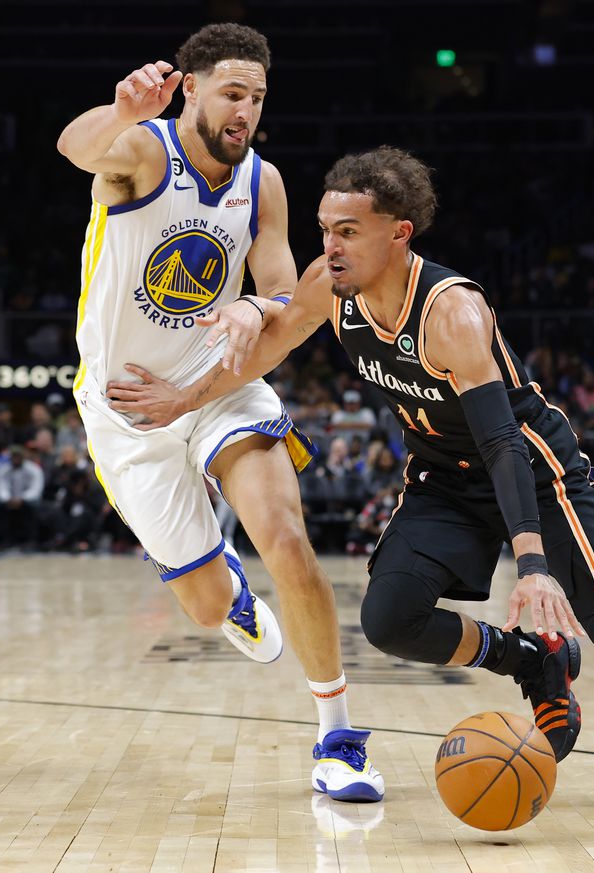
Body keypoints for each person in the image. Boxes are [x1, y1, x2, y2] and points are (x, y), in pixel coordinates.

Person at [108, 147, 594, 815]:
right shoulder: (332, 284)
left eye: (348, 231)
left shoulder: (451, 311)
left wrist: (533, 567)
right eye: (324, 229)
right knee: (389, 618)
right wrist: (182, 401)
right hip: (446, 475)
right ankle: (534, 662)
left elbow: (504, 441)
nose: (329, 246)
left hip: (536, 471)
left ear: (399, 234)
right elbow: (267, 344)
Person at [56, 23, 382, 801]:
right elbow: (73, 147)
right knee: (204, 607)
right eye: (233, 93)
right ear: (191, 89)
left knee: (288, 538)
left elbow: (276, 282)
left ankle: (337, 736)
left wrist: (256, 309)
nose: (247, 110)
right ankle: (227, 589)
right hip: (128, 407)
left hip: (220, 380)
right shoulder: (139, 151)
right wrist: (117, 110)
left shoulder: (262, 181)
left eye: (258, 97)